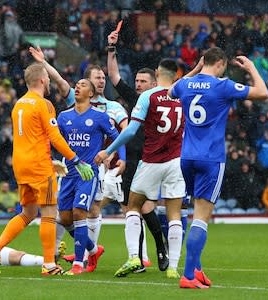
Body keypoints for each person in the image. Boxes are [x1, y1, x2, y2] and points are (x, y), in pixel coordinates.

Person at [168, 47, 268, 289]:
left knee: (195, 212)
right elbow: (263, 93)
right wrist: (252, 67)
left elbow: (172, 90)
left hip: (187, 158)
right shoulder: (222, 86)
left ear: (203, 62)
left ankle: (198, 269)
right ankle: (189, 276)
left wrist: (195, 69)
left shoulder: (185, 85)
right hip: (211, 159)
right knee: (201, 218)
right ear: (221, 64)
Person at [0, 63, 94, 276]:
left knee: (28, 212)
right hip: (39, 166)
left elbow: (29, 137)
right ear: (42, 80)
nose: (50, 82)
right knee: (49, 213)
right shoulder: (44, 104)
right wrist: (76, 160)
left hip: (20, 165)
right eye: (48, 79)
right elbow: (54, 136)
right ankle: (49, 264)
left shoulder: (18, 105)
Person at [29, 46, 126, 263]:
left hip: (93, 169)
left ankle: (80, 259)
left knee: (85, 210)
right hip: (70, 170)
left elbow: (124, 131)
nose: (102, 80)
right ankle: (91, 250)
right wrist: (43, 62)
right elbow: (60, 81)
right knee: (69, 215)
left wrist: (112, 153)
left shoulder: (110, 108)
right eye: (96, 77)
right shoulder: (68, 110)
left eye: (103, 77)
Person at [96, 58, 185, 279]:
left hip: (151, 160)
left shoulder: (148, 96)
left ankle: (135, 256)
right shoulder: (184, 95)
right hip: (176, 161)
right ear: (176, 76)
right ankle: (173, 267)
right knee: (174, 214)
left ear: (157, 74)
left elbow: (129, 131)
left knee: (132, 206)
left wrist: (109, 151)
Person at [106, 29, 169, 271]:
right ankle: (142, 257)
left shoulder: (163, 99)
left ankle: (159, 249)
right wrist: (112, 48)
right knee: (135, 210)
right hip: (130, 161)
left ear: (154, 83)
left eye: (143, 82)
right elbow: (113, 75)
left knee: (143, 208)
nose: (138, 85)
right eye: (137, 82)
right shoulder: (135, 98)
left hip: (151, 160)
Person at [57, 79, 126, 275]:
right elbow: (55, 140)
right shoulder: (63, 117)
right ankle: (94, 250)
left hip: (88, 173)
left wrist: (119, 157)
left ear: (91, 94)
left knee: (79, 212)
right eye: (76, 85)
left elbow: (119, 136)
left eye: (83, 85)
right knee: (65, 217)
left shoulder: (99, 116)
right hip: (68, 173)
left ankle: (78, 264)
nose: (77, 87)